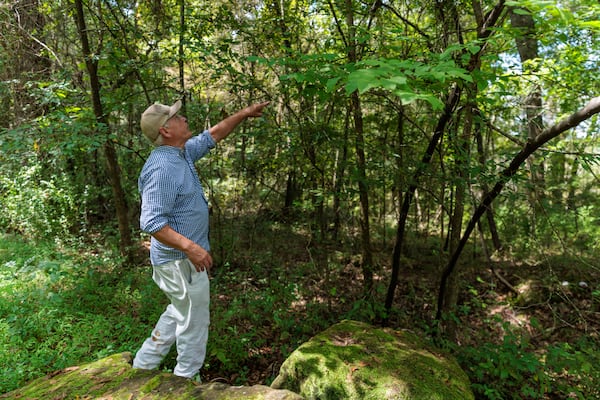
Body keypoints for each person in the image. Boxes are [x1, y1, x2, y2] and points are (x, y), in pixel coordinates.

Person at [133, 99, 270, 380]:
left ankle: (143, 365)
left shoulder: (180, 154)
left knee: (180, 311)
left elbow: (213, 135)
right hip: (179, 262)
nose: (184, 119)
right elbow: (151, 222)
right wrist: (191, 248)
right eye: (177, 117)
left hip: (182, 260)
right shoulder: (163, 168)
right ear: (166, 130)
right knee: (194, 323)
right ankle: (186, 381)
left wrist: (244, 113)